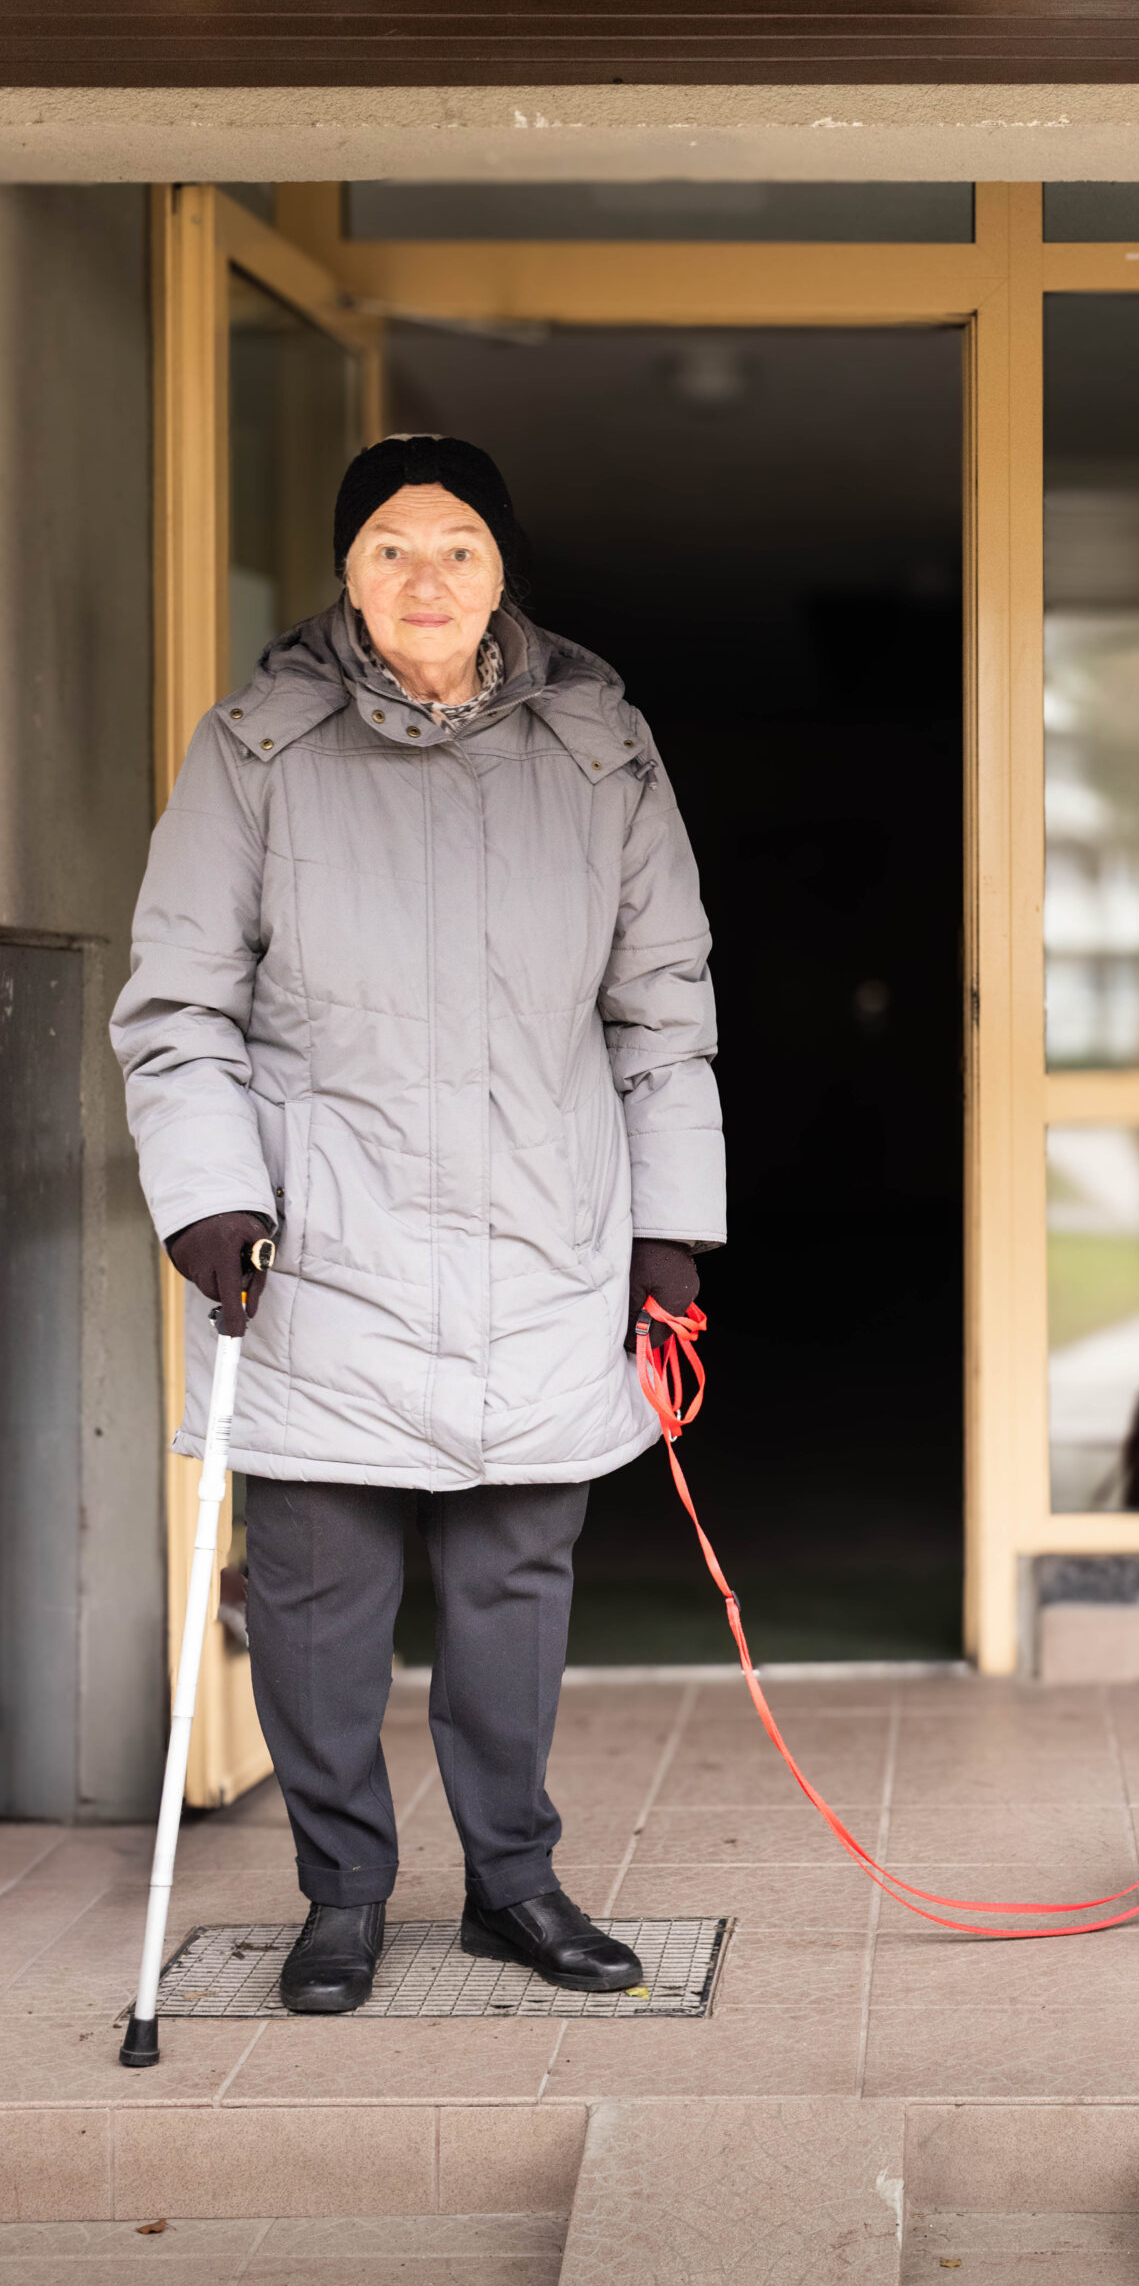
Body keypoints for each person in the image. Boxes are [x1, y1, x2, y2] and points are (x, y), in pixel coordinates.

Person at [112, 434, 724, 2012]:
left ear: (503, 566)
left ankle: (514, 1886)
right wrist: (210, 1196)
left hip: (545, 1238)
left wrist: (670, 1230)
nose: (427, 576)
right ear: (347, 573)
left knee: (518, 1592)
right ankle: (342, 1898)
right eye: (391, 546)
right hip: (322, 1242)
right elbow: (180, 1008)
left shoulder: (604, 749)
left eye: (456, 543)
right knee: (320, 1605)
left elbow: (662, 1013)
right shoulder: (257, 747)